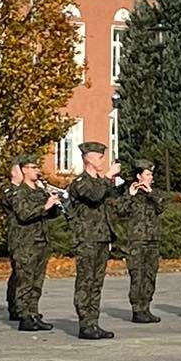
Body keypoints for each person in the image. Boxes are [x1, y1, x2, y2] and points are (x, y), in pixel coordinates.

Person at [5, 155, 63, 331]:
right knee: (25, 281)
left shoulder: (39, 191)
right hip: (25, 243)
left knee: (37, 282)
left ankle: (33, 313)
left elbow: (49, 215)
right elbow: (24, 214)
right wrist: (44, 206)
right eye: (33, 167)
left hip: (40, 242)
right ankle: (24, 316)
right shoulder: (18, 192)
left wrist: (54, 206)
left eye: (38, 167)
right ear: (24, 170)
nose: (37, 170)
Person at [66, 142, 118, 339]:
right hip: (86, 238)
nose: (102, 160)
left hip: (101, 237)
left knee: (97, 283)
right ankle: (85, 323)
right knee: (86, 281)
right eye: (99, 156)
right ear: (88, 158)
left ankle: (93, 322)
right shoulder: (81, 182)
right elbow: (94, 196)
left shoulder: (99, 182)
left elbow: (109, 203)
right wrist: (107, 177)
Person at [121, 160, 164, 323]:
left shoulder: (155, 194)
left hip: (153, 240)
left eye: (151, 174)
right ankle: (137, 309)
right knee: (137, 275)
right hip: (136, 241)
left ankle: (146, 307)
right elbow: (120, 210)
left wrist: (151, 192)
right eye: (147, 174)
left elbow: (162, 207)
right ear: (138, 176)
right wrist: (130, 195)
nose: (150, 177)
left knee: (150, 275)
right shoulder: (129, 193)